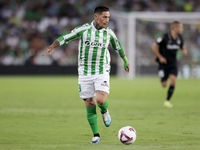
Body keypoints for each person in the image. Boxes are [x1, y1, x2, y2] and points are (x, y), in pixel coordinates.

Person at [42, 6, 130, 143]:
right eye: (104, 17)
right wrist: (53, 46)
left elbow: (117, 45)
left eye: (108, 17)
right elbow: (67, 37)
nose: (107, 20)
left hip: (102, 70)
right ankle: (96, 135)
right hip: (84, 72)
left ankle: (104, 111)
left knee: (100, 100)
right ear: (96, 17)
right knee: (89, 103)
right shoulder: (84, 30)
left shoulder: (109, 33)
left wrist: (125, 60)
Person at [152, 21, 188, 108]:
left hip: (173, 63)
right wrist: (160, 57)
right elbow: (154, 47)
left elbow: (183, 47)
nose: (182, 29)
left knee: (173, 80)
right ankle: (164, 78)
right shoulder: (164, 37)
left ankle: (167, 101)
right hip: (163, 64)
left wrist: (184, 50)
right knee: (164, 84)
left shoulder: (180, 38)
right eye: (180, 28)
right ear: (175, 28)